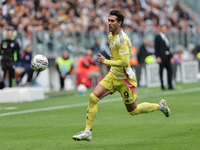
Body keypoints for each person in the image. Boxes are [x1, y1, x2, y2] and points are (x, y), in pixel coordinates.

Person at [72, 9, 170, 142]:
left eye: (112, 21)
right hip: (113, 75)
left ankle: (160, 106)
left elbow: (124, 62)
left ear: (120, 23)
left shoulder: (123, 39)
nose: (109, 23)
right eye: (108, 20)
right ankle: (88, 132)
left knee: (133, 111)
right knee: (93, 98)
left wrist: (106, 61)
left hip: (125, 80)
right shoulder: (110, 36)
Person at [154, 24, 173, 90]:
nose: (164, 29)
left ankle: (170, 85)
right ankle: (162, 86)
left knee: (170, 70)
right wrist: (157, 56)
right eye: (163, 28)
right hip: (161, 57)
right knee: (161, 71)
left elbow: (168, 48)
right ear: (160, 29)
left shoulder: (166, 37)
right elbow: (156, 48)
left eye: (165, 28)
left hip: (167, 57)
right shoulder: (158, 37)